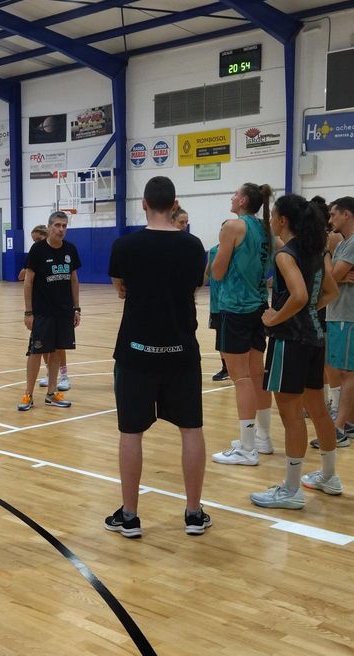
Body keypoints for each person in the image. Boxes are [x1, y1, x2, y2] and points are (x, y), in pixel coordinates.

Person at [104, 176, 211, 538]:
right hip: (182, 351)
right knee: (191, 430)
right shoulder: (194, 247)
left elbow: (121, 288)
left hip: (136, 353)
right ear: (175, 203)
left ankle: (130, 516)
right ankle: (193, 513)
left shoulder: (125, 246)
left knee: (130, 433)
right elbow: (193, 285)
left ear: (144, 203)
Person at [249, 194, 342, 509]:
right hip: (315, 339)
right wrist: (304, 313)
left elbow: (300, 296)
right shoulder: (316, 251)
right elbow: (331, 291)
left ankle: (291, 489)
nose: (271, 220)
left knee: (291, 417)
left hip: (289, 342)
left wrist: (276, 316)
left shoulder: (286, 254)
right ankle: (329, 476)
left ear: (282, 220)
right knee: (317, 410)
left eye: (273, 215)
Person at [208, 183, 275, 466]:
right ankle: (263, 438)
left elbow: (218, 271)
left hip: (234, 307)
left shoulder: (233, 228)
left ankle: (247, 448)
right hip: (259, 307)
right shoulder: (266, 229)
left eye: (235, 194)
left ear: (244, 200)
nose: (232, 197)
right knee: (256, 374)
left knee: (242, 378)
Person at [314, 196, 354, 450]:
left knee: (345, 372)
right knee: (353, 368)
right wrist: (335, 273)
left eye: (334, 215)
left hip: (346, 315)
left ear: (347, 214)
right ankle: (351, 422)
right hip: (343, 313)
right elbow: (335, 276)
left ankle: (337, 428)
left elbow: (331, 277)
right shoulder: (348, 243)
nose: (330, 220)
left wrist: (328, 260)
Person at [18, 211, 80, 411]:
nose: (61, 229)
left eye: (64, 226)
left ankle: (51, 393)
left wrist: (76, 308)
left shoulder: (70, 249)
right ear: (50, 226)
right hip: (42, 312)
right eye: (57, 225)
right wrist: (29, 312)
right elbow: (28, 281)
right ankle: (28, 394)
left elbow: (74, 280)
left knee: (56, 352)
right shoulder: (37, 250)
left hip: (64, 312)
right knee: (36, 352)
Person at [311, 196, 342, 418]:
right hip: (318, 301)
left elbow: (330, 274)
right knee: (319, 359)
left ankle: (335, 404)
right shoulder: (320, 240)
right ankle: (321, 402)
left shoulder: (330, 239)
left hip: (324, 304)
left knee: (327, 358)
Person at [204, 244, 229, 382]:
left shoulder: (237, 249)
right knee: (220, 338)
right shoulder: (213, 250)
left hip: (230, 303)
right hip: (216, 304)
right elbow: (208, 272)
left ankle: (234, 367)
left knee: (228, 337)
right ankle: (226, 368)